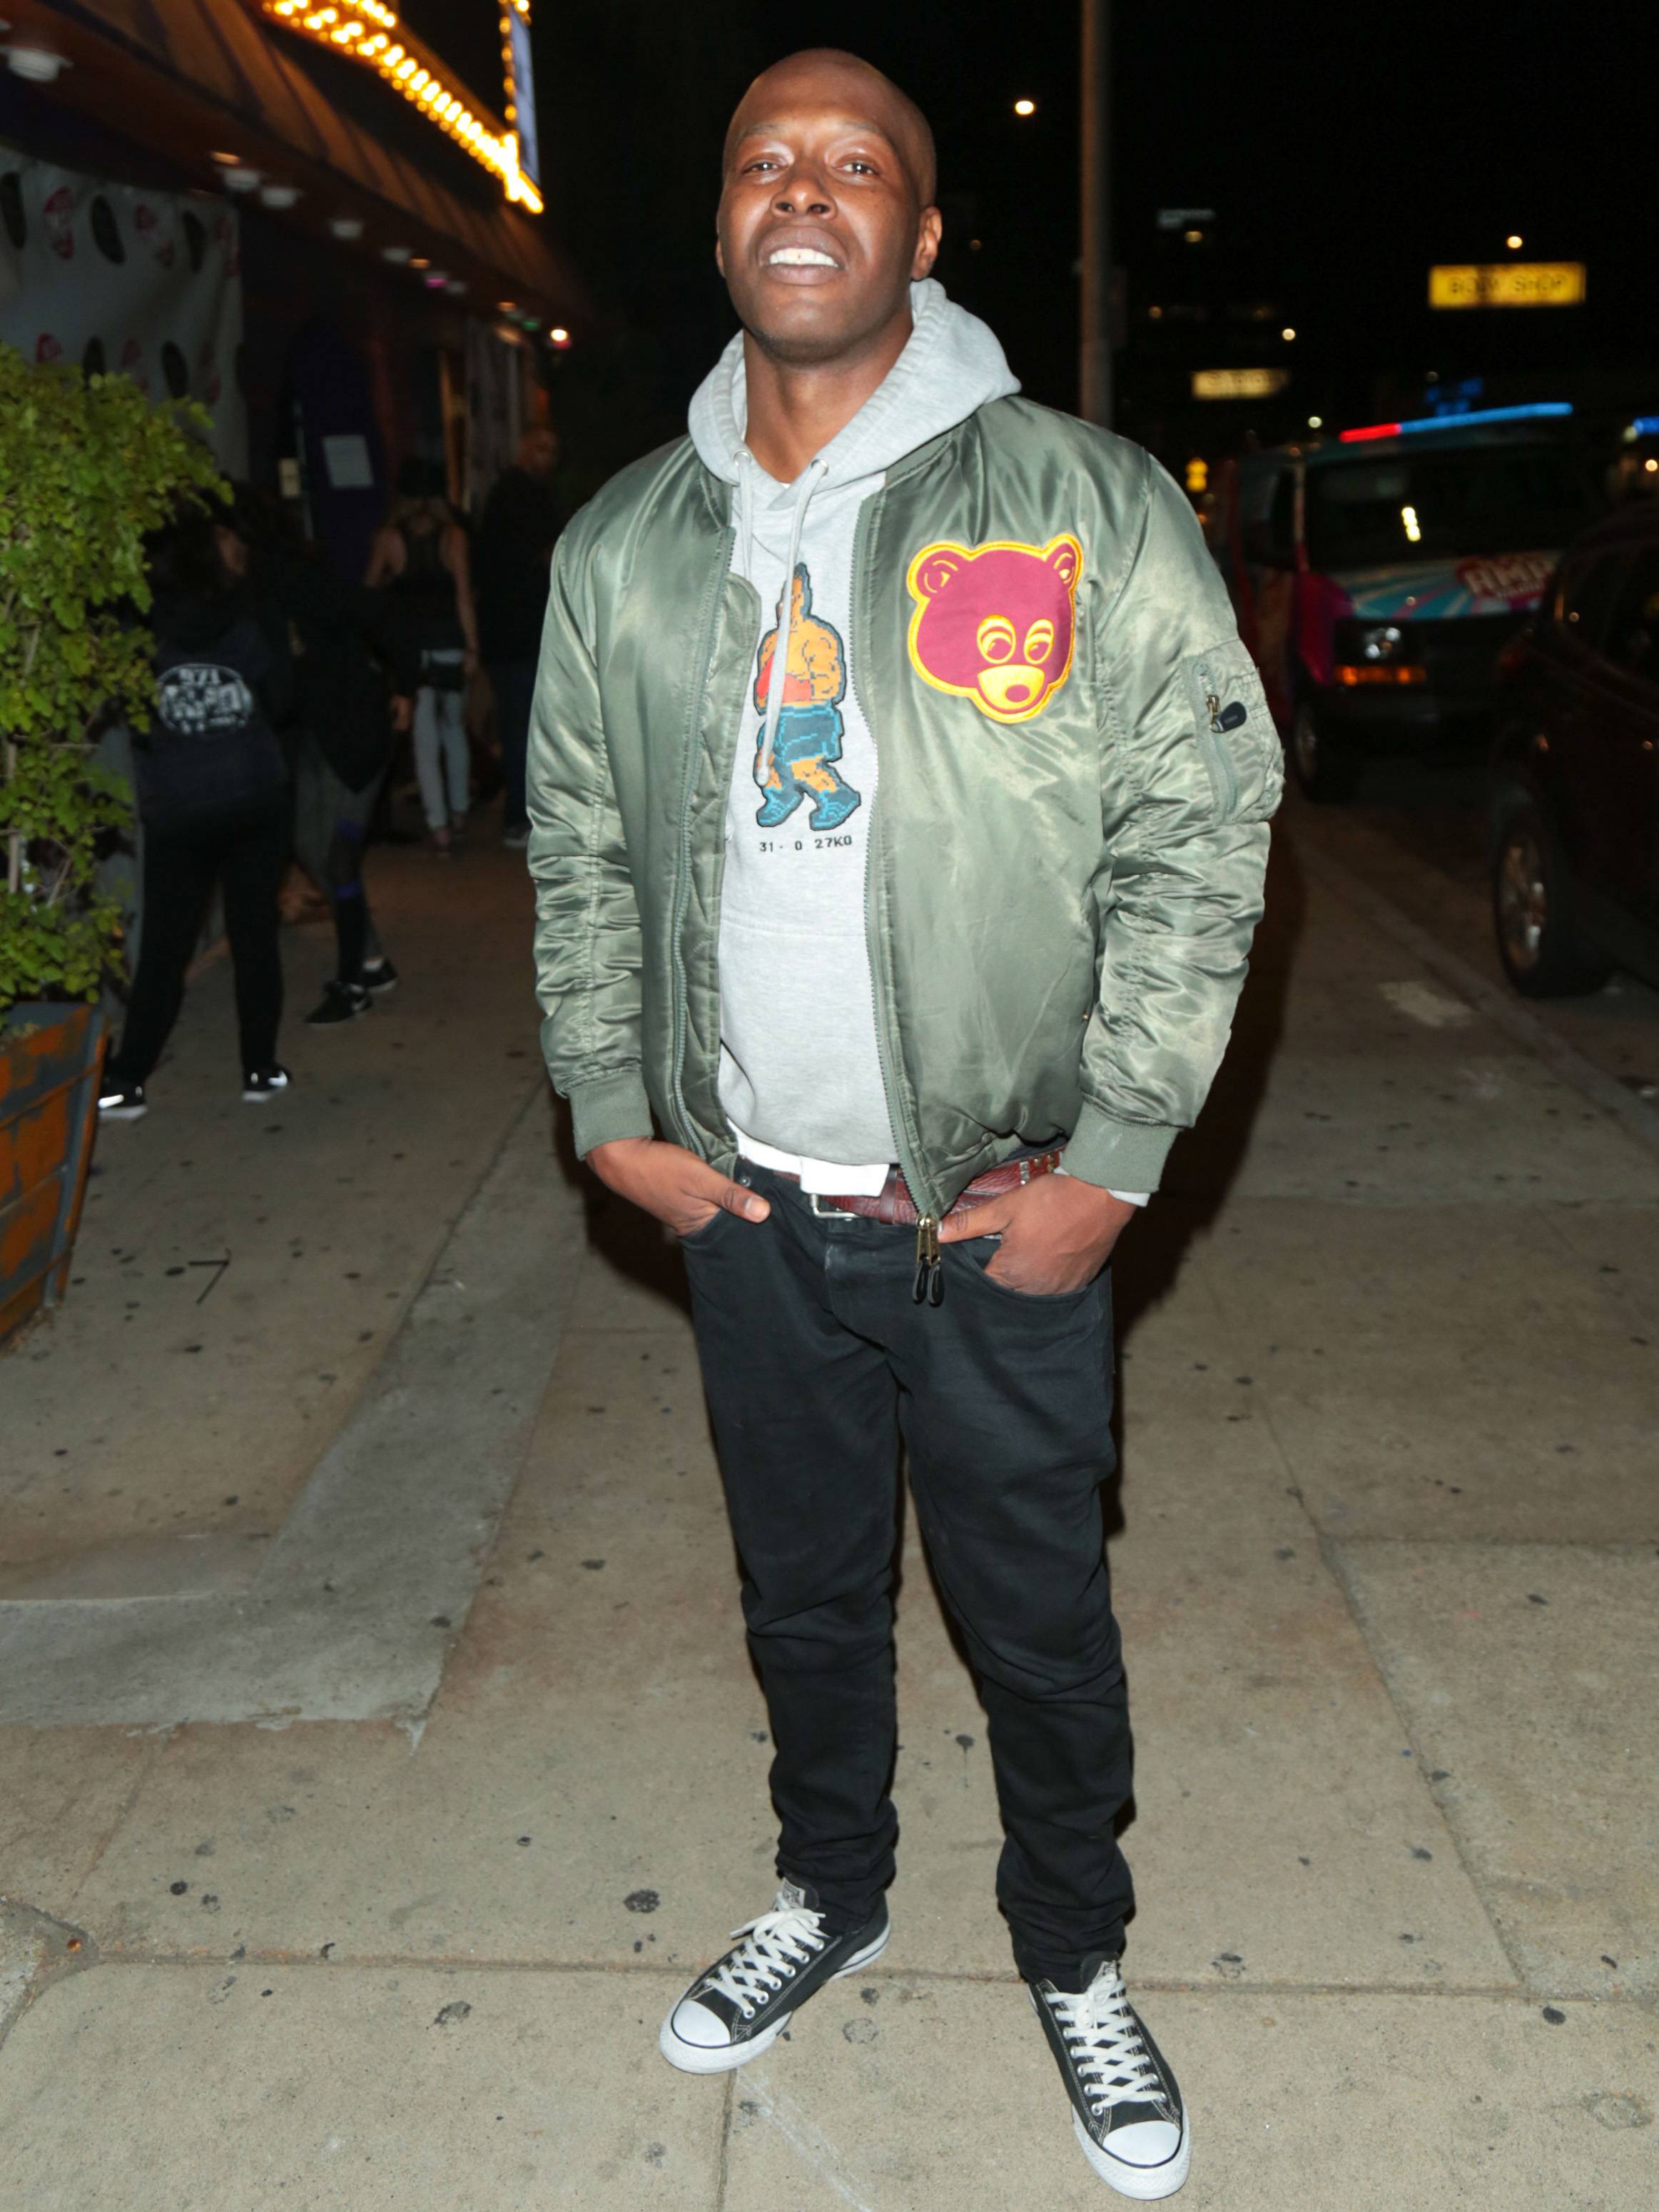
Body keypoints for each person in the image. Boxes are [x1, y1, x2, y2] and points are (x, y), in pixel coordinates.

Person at [526, 49, 1280, 2201]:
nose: (803, 188)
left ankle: (1074, 1944)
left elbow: (1202, 827)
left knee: (1035, 1618)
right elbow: (576, 841)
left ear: (922, 234)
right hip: (750, 1210)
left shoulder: (1078, 503)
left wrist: (1112, 1159)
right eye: (763, 159)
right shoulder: (621, 544)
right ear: (720, 225)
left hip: (990, 1212)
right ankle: (829, 1884)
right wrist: (611, 1111)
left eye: (854, 164)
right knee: (802, 1594)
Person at [98, 507, 296, 1120]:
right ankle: (259, 1069)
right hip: (253, 794)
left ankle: (127, 1080)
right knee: (254, 935)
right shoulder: (251, 613)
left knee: (165, 945)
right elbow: (283, 697)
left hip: (180, 802)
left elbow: (132, 713)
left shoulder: (143, 625)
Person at [225, 489, 415, 1025]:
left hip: (356, 732)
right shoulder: (250, 590)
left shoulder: (295, 581)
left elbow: (381, 610)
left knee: (337, 854)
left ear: (243, 539)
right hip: (316, 739)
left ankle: (353, 984)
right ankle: (372, 961)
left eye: (224, 537)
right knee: (311, 846)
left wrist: (406, 686)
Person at [365, 460, 477, 857]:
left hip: (410, 650)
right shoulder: (454, 537)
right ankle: (459, 812)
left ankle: (438, 826)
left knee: (424, 738)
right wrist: (472, 647)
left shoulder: (388, 539)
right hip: (449, 643)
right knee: (454, 729)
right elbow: (463, 595)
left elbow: (368, 592)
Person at [474, 425, 563, 848]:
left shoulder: (515, 494)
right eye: (541, 448)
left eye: (553, 450)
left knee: (522, 726)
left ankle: (522, 815)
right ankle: (518, 818)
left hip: (511, 635)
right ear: (525, 448)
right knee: (523, 728)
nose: (549, 457)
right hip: (518, 635)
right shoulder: (519, 496)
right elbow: (540, 556)